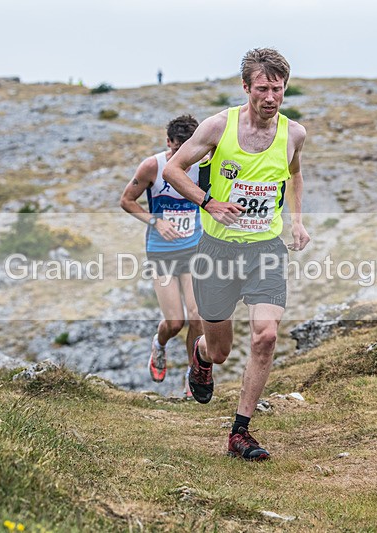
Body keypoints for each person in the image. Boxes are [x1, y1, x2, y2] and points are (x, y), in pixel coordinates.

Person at [162, 48, 310, 460]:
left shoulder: (293, 134)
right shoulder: (218, 127)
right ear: (246, 88)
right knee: (221, 350)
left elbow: (295, 174)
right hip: (217, 249)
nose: (270, 97)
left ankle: (240, 433)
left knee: (265, 336)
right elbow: (173, 170)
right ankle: (201, 356)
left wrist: (296, 222)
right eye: (262, 88)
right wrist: (207, 202)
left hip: (265, 248)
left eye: (277, 89)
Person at [120, 115, 203, 396]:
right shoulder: (152, 166)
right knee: (175, 322)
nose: (185, 156)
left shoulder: (203, 165)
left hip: (194, 248)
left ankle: (193, 374)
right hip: (162, 252)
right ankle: (160, 343)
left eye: (190, 147)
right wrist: (156, 221)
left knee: (198, 316)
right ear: (169, 143)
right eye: (179, 148)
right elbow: (126, 200)